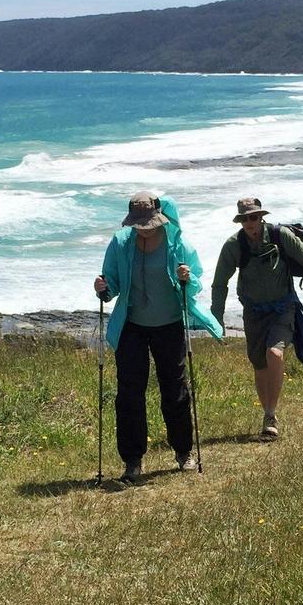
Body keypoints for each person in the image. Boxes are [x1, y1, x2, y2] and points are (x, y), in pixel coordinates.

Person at [95, 190, 223, 483]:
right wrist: (103, 288)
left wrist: (187, 278)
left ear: (160, 217)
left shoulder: (178, 244)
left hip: (169, 324)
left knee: (175, 390)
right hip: (131, 326)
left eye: (149, 223)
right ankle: (132, 460)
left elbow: (195, 284)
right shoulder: (120, 242)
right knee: (129, 393)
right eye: (138, 224)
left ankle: (183, 452)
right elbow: (111, 283)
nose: (144, 229)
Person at [210, 197, 303, 440]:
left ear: (261, 217)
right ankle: (267, 414)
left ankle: (271, 416)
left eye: (253, 217)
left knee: (274, 353)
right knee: (259, 364)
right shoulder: (234, 245)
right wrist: (217, 319)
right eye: (244, 219)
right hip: (253, 311)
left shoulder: (280, 236)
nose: (249, 222)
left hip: (283, 307)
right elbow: (220, 283)